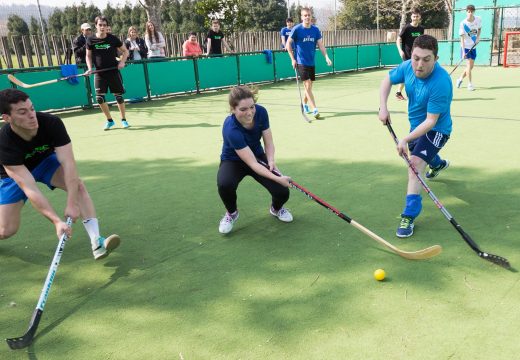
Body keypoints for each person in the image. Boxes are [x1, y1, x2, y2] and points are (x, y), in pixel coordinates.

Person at [0, 89, 121, 260]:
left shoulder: (51, 123)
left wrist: (71, 203)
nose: (31, 115)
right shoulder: (4, 143)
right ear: (7, 118)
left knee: (77, 186)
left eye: (32, 108)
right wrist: (56, 221)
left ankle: (97, 242)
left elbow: (69, 164)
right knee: (6, 231)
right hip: (14, 174)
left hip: (45, 161)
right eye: (22, 112)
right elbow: (30, 188)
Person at [378, 35, 452, 238]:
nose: (419, 65)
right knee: (423, 159)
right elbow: (387, 80)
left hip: (437, 130)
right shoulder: (407, 67)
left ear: (435, 59)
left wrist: (404, 139)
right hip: (415, 128)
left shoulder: (441, 82)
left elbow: (431, 121)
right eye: (416, 58)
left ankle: (408, 216)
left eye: (426, 59)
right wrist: (383, 107)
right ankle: (437, 164)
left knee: (415, 166)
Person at [217, 86, 293, 234]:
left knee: (282, 192)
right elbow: (251, 164)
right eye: (243, 109)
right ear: (233, 109)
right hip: (234, 161)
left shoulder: (261, 112)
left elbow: (269, 142)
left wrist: (271, 161)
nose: (249, 112)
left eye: (252, 107)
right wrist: (278, 178)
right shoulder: (230, 128)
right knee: (225, 184)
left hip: (257, 155)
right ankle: (231, 213)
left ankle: (276, 209)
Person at [286, 7, 332, 119]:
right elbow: (288, 44)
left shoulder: (315, 30)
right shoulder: (297, 29)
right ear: (301, 17)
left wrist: (326, 57)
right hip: (301, 62)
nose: (307, 17)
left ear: (311, 16)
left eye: (309, 15)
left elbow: (320, 45)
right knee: (307, 85)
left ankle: (305, 104)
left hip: (311, 62)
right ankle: (314, 109)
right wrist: (293, 59)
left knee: (309, 86)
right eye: (305, 15)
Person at [85, 16, 130, 131]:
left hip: (113, 71)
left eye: (104, 25)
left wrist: (122, 62)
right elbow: (88, 56)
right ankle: (110, 121)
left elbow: (125, 51)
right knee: (100, 98)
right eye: (100, 25)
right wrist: (90, 68)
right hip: (99, 73)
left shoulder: (113, 39)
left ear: (107, 26)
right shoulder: (90, 40)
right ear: (96, 26)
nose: (102, 27)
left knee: (118, 97)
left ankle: (124, 119)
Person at [395, 8, 424, 100]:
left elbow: (421, 41)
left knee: (411, 73)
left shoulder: (421, 28)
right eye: (414, 16)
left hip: (417, 55)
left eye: (417, 16)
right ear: (411, 17)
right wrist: (400, 50)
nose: (415, 18)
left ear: (420, 17)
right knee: (412, 73)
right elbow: (398, 39)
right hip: (407, 55)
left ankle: (398, 92)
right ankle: (413, 93)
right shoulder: (407, 28)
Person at [456, 4, 481, 91]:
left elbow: (479, 29)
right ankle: (470, 84)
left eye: (471, 11)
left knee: (470, 67)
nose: (470, 13)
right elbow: (462, 39)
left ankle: (460, 79)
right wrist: (463, 52)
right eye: (468, 11)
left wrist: (477, 38)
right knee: (468, 65)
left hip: (473, 47)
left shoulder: (478, 19)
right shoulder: (463, 23)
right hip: (465, 47)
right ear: (466, 12)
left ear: (474, 12)